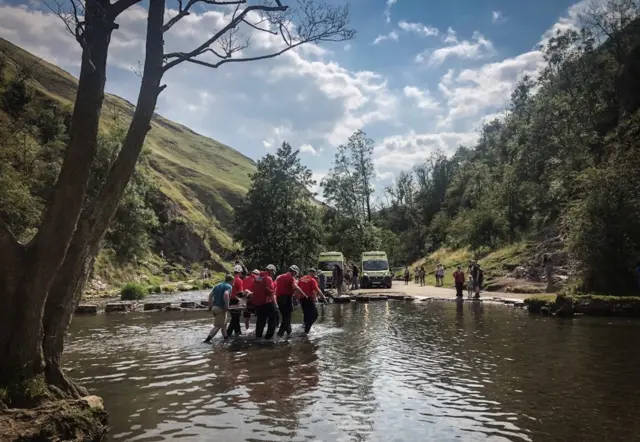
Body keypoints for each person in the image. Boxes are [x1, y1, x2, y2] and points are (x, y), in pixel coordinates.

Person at [276, 265, 307, 338]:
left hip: (279, 299)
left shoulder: (280, 276)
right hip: (286, 299)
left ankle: (286, 333)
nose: (296, 275)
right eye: (296, 273)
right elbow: (295, 287)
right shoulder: (290, 277)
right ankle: (282, 335)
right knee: (287, 318)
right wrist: (304, 295)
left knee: (285, 317)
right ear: (294, 272)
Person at [252, 264, 279, 339]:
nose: (273, 274)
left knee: (260, 321)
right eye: (273, 272)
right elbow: (270, 292)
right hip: (267, 303)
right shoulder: (268, 278)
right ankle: (268, 338)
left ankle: (258, 337)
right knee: (273, 320)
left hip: (258, 304)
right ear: (271, 271)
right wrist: (275, 304)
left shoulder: (258, 278)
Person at [203, 275, 233, 343]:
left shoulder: (217, 285)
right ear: (231, 281)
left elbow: (210, 295)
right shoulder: (229, 286)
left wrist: (210, 306)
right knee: (218, 326)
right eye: (232, 282)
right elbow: (226, 294)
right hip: (221, 309)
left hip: (215, 308)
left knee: (224, 325)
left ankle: (226, 339)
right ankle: (206, 341)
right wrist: (227, 306)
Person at [298, 268, 326, 333]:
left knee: (306, 314)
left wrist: (297, 298)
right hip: (308, 299)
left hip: (302, 300)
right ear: (313, 272)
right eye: (315, 273)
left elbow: (297, 288)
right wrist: (323, 297)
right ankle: (307, 330)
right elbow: (317, 290)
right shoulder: (312, 280)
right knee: (315, 315)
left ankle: (304, 326)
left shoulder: (301, 279)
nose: (315, 275)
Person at [226, 265, 244, 337]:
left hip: (229, 300)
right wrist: (242, 302)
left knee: (235, 317)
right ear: (240, 272)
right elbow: (240, 293)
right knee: (235, 318)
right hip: (236, 301)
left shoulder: (231, 279)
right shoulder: (239, 280)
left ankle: (238, 332)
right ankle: (228, 333)